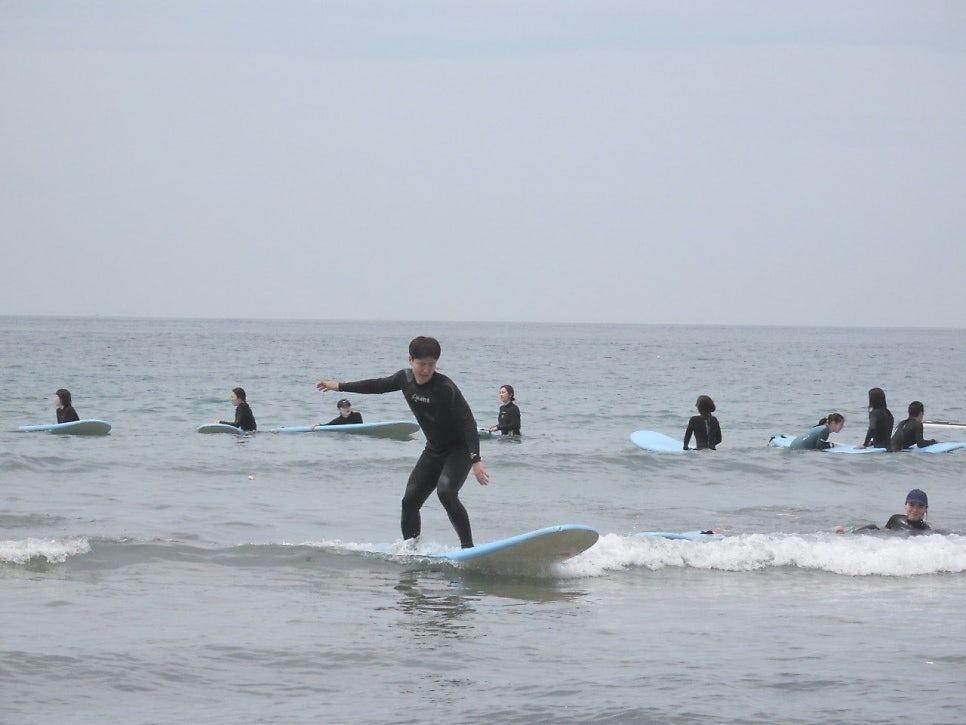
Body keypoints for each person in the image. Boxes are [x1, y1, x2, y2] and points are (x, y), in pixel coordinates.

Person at [316, 336, 488, 548]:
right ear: (410, 360)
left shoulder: (445, 387)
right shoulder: (404, 379)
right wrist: (339, 386)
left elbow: (468, 421)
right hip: (434, 450)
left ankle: (467, 548)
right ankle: (411, 550)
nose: (426, 369)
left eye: (431, 364)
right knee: (409, 501)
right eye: (421, 364)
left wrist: (475, 459)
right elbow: (377, 385)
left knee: (446, 493)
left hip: (459, 449)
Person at [837, 488, 931, 534]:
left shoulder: (925, 530)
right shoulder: (896, 519)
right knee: (872, 527)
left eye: (920, 506)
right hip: (884, 545)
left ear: (925, 509)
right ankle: (846, 534)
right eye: (911, 505)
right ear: (905, 505)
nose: (915, 509)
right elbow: (883, 532)